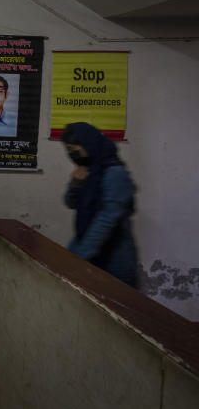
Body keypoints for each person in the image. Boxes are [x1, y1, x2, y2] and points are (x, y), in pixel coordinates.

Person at [62, 122, 140, 288]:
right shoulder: (89, 169)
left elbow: (106, 219)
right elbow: (70, 202)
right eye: (68, 150)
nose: (72, 154)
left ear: (88, 144)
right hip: (88, 248)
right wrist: (75, 184)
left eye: (75, 149)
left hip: (114, 258)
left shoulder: (115, 173)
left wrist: (79, 256)